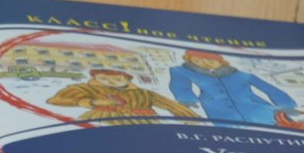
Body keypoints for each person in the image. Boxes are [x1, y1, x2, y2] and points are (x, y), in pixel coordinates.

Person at [167, 49, 301, 125]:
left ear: (221, 61)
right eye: (197, 61)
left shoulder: (241, 75)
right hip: (220, 112)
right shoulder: (182, 71)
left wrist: (286, 105)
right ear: (189, 60)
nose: (204, 64)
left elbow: (268, 88)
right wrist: (187, 100)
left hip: (258, 110)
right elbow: (180, 85)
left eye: (210, 61)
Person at [46, 65, 196, 123]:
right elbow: (57, 99)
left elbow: (171, 105)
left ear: (126, 80)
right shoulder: (85, 88)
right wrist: (93, 102)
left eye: (117, 79)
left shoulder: (143, 93)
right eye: (103, 78)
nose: (110, 81)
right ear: (95, 78)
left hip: (143, 121)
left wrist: (190, 119)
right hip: (104, 118)